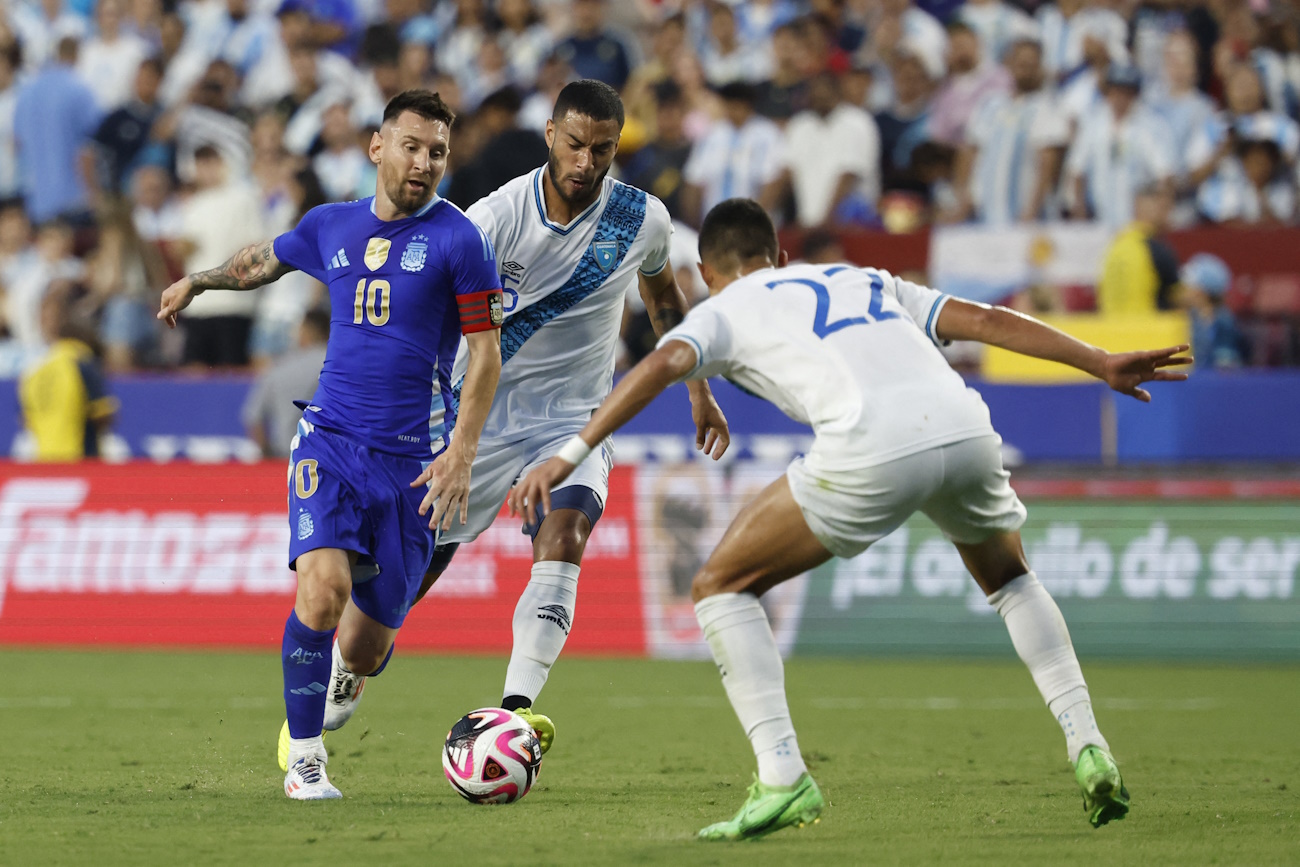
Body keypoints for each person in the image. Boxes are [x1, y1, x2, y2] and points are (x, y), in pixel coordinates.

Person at [509, 198, 1193, 840]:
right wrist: (1097, 359)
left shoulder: (722, 309)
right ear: (778, 254)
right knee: (1011, 579)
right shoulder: (860, 277)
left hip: (873, 442)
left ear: (707, 273)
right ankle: (1088, 743)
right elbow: (982, 321)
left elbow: (657, 365)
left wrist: (569, 454)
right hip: (963, 425)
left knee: (719, 585)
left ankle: (782, 775)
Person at [321, 80, 730, 755]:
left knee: (564, 535)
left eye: (601, 149)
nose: (586, 162)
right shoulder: (492, 220)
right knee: (384, 612)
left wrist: (699, 389)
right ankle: (348, 669)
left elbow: (663, 295)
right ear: (550, 135)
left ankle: (512, 713)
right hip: (471, 422)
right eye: (574, 144)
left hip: (570, 420)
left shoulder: (641, 219)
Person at [157, 89, 505, 801]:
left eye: (437, 151)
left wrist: (463, 449)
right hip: (331, 441)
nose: (423, 162)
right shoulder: (330, 226)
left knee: (370, 643)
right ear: (377, 147)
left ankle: (351, 668)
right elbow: (262, 261)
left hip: (413, 465)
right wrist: (199, 279)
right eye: (411, 145)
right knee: (322, 590)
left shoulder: (459, 239)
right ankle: (307, 760)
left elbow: (486, 353)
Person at [20, 292, 118, 461]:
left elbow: (26, 420)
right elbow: (103, 414)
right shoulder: (81, 361)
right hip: (79, 461)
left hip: (43, 461)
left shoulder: (32, 371)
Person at [242, 307, 330, 457]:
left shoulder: (279, 366)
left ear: (304, 331)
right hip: (329, 457)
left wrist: (268, 455)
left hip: (286, 456)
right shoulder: (337, 365)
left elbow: (253, 418)